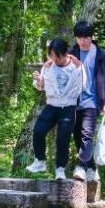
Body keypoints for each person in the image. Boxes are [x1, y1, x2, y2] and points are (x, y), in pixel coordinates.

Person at [26, 38, 86, 180]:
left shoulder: (77, 67)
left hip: (68, 107)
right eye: (51, 55)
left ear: (65, 53)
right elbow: (41, 86)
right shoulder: (48, 66)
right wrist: (38, 80)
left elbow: (84, 86)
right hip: (51, 105)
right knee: (38, 131)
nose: (54, 59)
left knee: (62, 139)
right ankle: (40, 161)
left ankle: (60, 170)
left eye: (57, 56)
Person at [70, 22, 105, 182]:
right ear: (76, 38)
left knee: (86, 135)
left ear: (92, 37)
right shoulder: (70, 55)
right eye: (80, 38)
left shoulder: (103, 56)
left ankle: (81, 167)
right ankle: (92, 168)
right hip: (73, 103)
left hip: (93, 102)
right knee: (77, 136)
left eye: (87, 37)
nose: (83, 41)